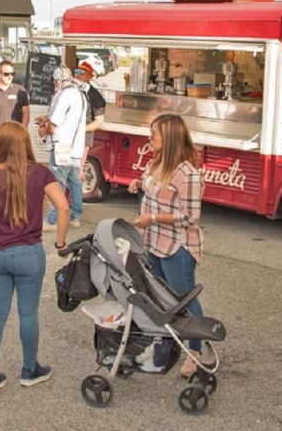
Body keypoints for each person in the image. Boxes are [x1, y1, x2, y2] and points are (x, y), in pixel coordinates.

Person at [0, 121, 70, 395]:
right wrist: (60, 242)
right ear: (25, 144)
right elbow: (64, 206)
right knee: (28, 313)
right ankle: (29, 369)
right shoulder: (41, 173)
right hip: (29, 254)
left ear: (1, 144)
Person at [127, 113, 206, 377]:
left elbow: (191, 217)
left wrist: (153, 218)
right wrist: (138, 184)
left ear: (169, 138)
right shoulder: (156, 162)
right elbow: (153, 189)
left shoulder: (188, 175)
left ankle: (196, 350)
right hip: (154, 243)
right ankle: (164, 345)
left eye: (155, 134)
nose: (150, 139)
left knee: (183, 299)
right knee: (160, 298)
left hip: (177, 248)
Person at [38, 66, 87, 230]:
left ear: (58, 80)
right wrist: (46, 118)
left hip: (61, 147)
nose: (53, 83)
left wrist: (44, 130)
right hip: (75, 147)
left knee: (57, 183)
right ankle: (75, 216)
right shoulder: (79, 94)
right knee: (75, 183)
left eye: (54, 80)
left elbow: (55, 122)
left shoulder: (63, 95)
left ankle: (52, 219)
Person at [0, 61, 30, 160]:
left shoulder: (20, 90)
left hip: (15, 137)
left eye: (12, 74)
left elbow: (26, 112)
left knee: (14, 169)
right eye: (6, 74)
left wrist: (22, 132)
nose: (10, 77)